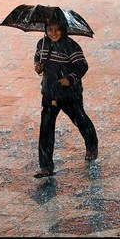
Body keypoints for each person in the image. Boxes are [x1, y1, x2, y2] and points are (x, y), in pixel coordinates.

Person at [33, 20, 98, 178]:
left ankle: (91, 145)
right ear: (45, 30)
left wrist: (70, 78)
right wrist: (37, 66)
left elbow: (82, 66)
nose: (53, 33)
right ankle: (46, 166)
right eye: (50, 29)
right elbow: (37, 58)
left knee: (80, 119)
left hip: (69, 94)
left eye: (57, 30)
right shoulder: (42, 44)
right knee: (46, 129)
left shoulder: (71, 46)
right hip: (49, 93)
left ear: (63, 30)